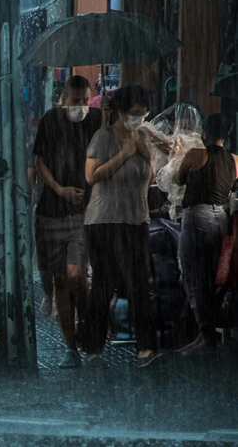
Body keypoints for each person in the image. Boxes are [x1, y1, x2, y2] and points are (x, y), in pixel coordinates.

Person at [83, 84, 162, 368]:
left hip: (136, 219)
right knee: (104, 284)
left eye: (143, 113)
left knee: (139, 284)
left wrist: (146, 155)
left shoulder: (142, 137)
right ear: (121, 111)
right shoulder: (102, 137)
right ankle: (93, 347)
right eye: (134, 113)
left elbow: (150, 178)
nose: (139, 118)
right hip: (104, 221)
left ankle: (146, 348)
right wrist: (124, 153)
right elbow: (92, 176)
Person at [32, 75, 101, 368]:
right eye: (75, 101)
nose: (81, 107)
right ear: (63, 99)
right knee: (61, 280)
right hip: (51, 211)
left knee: (77, 275)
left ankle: (89, 333)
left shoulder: (97, 119)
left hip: (84, 212)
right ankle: (70, 346)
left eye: (85, 101)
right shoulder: (50, 120)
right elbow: (38, 162)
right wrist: (59, 189)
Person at [174, 113, 236, 355]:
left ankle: (205, 335)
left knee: (193, 275)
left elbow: (178, 179)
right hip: (221, 219)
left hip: (197, 217)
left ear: (205, 133)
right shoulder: (234, 160)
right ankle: (208, 332)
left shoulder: (197, 154)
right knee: (213, 276)